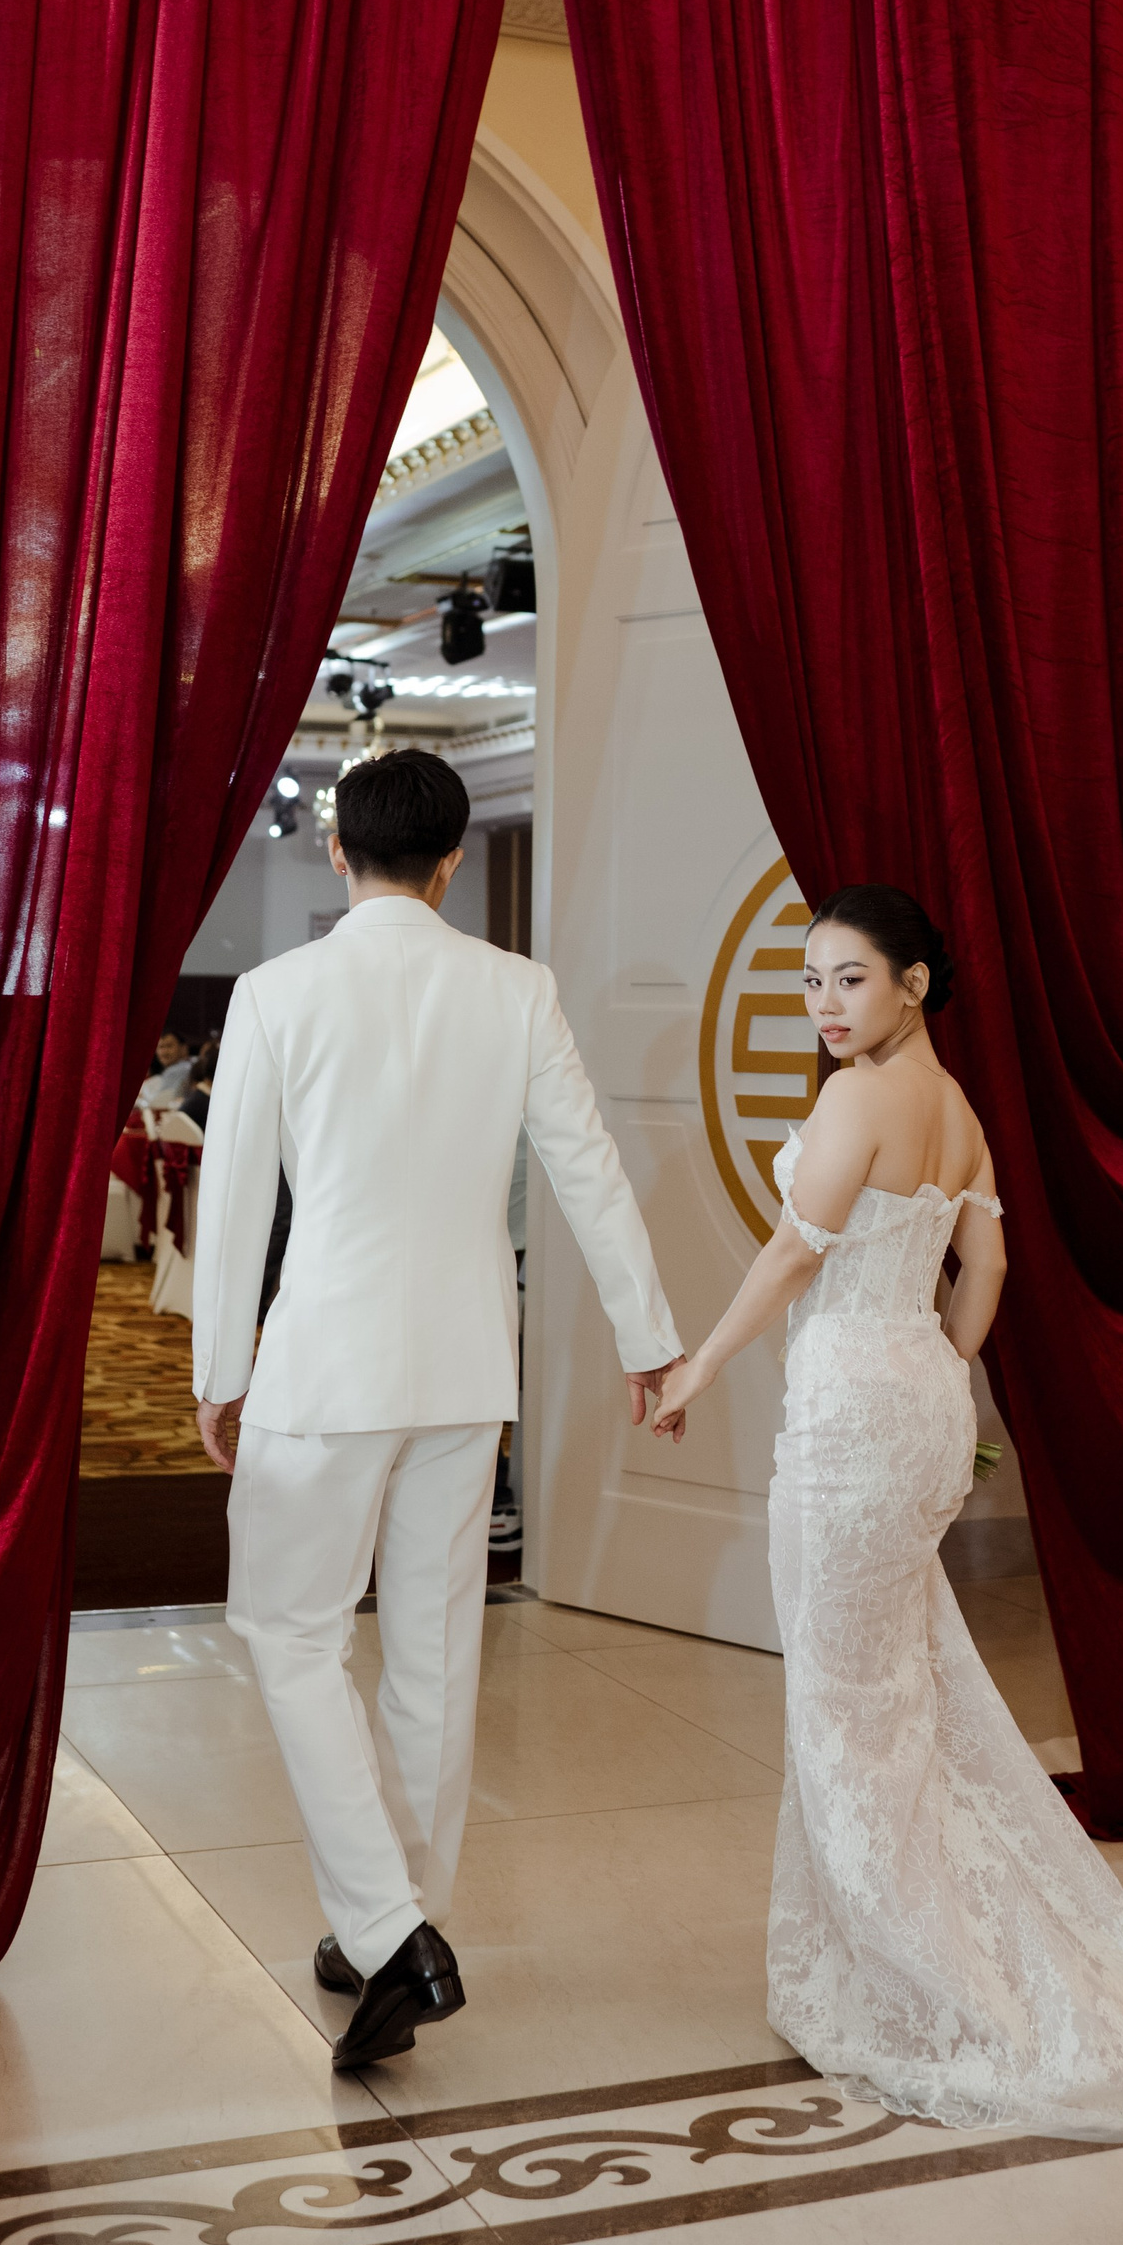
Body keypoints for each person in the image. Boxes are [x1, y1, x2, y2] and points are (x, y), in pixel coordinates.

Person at [649, 885, 1123, 2143]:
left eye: (849, 979)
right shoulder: (960, 1107)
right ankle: (892, 1951)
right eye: (810, 981)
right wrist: (940, 1372)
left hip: (856, 1415)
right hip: (922, 1399)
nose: (823, 1005)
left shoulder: (859, 1098)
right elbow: (989, 1268)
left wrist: (698, 1366)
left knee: (846, 1708)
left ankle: (924, 1984)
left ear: (912, 982)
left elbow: (797, 1253)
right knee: (899, 1691)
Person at [192, 749, 683, 2074]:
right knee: (433, 1653)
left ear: (339, 851)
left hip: (324, 1371)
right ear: (452, 863)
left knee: (291, 1636)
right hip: (466, 1372)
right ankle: (391, 1922)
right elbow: (588, 1171)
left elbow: (232, 1199)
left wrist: (218, 1367)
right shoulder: (516, 989)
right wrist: (648, 1338)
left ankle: (392, 1931)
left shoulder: (276, 992)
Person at [138, 1029, 194, 1107]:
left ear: (183, 1048)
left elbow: (161, 1102)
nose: (164, 1052)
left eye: (169, 1046)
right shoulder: (172, 1069)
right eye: (161, 1047)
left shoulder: (182, 1069)